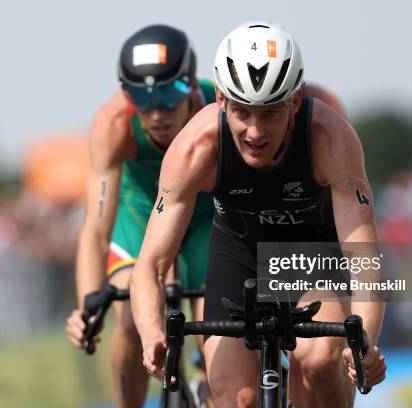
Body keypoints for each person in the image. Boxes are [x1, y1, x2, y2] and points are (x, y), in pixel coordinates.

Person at [130, 23, 386, 408]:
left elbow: (362, 256)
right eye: (242, 112)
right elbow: (150, 263)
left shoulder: (330, 139)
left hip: (308, 253)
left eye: (269, 113)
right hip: (237, 254)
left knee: (319, 362)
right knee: (239, 400)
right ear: (220, 100)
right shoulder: (196, 147)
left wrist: (363, 340)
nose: (254, 131)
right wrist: (152, 334)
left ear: (294, 102)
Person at [64, 24, 216, 408]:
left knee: (214, 327)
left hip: (202, 215)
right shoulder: (114, 124)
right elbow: (96, 231)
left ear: (191, 88)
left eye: (168, 96)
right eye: (141, 99)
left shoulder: (220, 109)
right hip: (140, 212)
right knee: (132, 319)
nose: (155, 112)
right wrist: (87, 305)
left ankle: (207, 378)